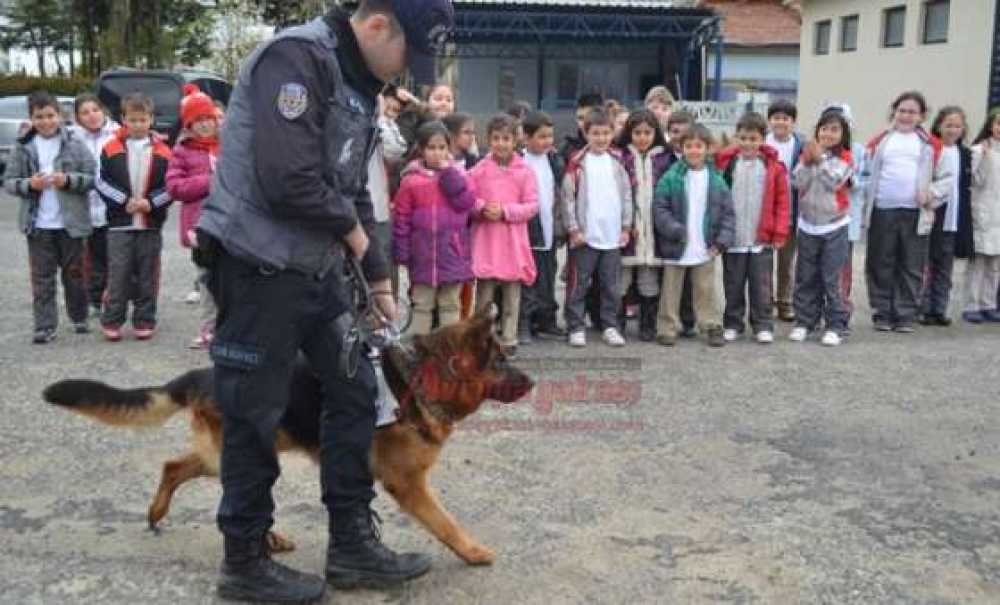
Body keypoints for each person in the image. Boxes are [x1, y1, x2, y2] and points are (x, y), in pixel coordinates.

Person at [195, 1, 454, 601]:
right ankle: (245, 559)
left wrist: (380, 277)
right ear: (378, 24)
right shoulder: (296, 59)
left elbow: (353, 185)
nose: (408, 72)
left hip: (317, 272)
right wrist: (359, 240)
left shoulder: (360, 84)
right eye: (409, 55)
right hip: (258, 266)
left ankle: (353, 546)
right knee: (256, 411)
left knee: (356, 393)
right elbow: (288, 178)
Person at [4, 90, 96, 344]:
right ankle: (45, 325)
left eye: (50, 115)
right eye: (39, 116)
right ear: (31, 118)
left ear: (60, 115)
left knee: (74, 274)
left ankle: (79, 317)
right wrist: (29, 184)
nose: (45, 121)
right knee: (42, 278)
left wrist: (68, 180)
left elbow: (91, 178)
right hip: (38, 226)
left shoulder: (75, 144)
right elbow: (9, 182)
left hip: (71, 225)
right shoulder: (23, 147)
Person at [864, 91, 952, 333]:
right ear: (894, 112)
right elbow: (864, 172)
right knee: (880, 262)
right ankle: (882, 312)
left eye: (912, 112)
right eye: (902, 110)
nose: (906, 115)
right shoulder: (880, 141)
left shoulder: (931, 145)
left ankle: (904, 314)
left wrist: (931, 193)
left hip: (915, 212)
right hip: (883, 209)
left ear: (922, 116)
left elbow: (947, 179)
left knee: (911, 264)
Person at [95, 92, 173, 342]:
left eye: (143, 119)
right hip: (119, 225)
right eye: (133, 119)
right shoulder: (110, 148)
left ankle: (144, 320)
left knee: (148, 275)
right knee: (118, 275)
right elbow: (101, 182)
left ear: (151, 119)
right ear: (123, 119)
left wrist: (150, 203)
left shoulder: (164, 151)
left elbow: (171, 186)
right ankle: (112, 320)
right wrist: (123, 201)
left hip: (150, 225)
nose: (138, 124)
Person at [652, 124, 733, 348]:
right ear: (682, 148)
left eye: (699, 146)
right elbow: (660, 208)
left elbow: (728, 213)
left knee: (706, 289)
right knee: (670, 290)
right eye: (689, 146)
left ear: (708, 148)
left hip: (705, 245)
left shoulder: (716, 180)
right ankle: (667, 327)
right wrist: (674, 229)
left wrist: (721, 242)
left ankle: (711, 325)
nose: (694, 150)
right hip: (676, 244)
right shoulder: (671, 177)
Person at [392, 121, 475, 335]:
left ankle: (449, 351)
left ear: (449, 149)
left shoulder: (458, 175)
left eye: (442, 148)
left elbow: (466, 203)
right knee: (421, 304)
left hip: (452, 253)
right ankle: (418, 350)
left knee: (450, 303)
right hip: (423, 255)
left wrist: (448, 175)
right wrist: (402, 251)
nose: (437, 153)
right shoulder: (411, 180)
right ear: (421, 150)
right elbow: (402, 218)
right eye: (431, 148)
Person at [715, 112, 790, 344]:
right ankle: (733, 323)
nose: (748, 143)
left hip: (761, 239)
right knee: (733, 284)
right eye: (743, 138)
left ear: (762, 139)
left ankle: (762, 324)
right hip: (734, 238)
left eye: (753, 139)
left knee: (761, 286)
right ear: (737, 138)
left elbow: (782, 202)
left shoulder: (773, 167)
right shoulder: (727, 165)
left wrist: (779, 232)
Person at [468, 114, 539, 357]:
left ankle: (509, 337)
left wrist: (506, 211)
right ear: (488, 140)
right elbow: (467, 198)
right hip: (487, 241)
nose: (501, 143)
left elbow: (532, 205)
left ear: (515, 141)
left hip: (513, 243)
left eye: (506, 138)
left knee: (512, 296)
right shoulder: (479, 170)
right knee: (484, 296)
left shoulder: (525, 172)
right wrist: (481, 207)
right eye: (496, 138)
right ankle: (480, 337)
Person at [562, 109, 633, 348]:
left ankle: (610, 325)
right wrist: (574, 229)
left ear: (613, 133)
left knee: (611, 286)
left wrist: (626, 227)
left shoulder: (618, 161)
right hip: (585, 237)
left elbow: (626, 196)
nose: (601, 138)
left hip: (612, 237)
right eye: (595, 133)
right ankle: (575, 326)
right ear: (586, 133)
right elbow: (568, 199)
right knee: (578, 284)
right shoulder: (577, 163)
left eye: (606, 133)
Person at [789, 111, 854, 346]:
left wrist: (820, 161)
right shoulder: (807, 154)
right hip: (808, 225)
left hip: (834, 226)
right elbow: (797, 182)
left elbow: (833, 182)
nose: (828, 134)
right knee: (805, 276)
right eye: (824, 129)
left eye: (834, 129)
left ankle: (836, 324)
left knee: (832, 277)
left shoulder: (846, 157)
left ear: (843, 134)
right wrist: (807, 162)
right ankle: (805, 321)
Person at [166, 85, 221, 349]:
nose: (203, 125)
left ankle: (232, 328)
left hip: (231, 226)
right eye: (196, 121)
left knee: (232, 280)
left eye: (207, 118)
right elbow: (175, 187)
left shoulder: (229, 145)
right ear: (188, 125)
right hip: (200, 229)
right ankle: (209, 329)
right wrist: (208, 181)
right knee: (207, 281)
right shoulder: (182, 151)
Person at [616, 109, 672, 341]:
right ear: (629, 133)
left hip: (653, 229)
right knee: (621, 279)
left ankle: (648, 324)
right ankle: (615, 322)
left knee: (649, 280)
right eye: (637, 132)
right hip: (627, 229)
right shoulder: (620, 157)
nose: (642, 137)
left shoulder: (665, 159)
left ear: (655, 133)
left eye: (647, 133)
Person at [519, 110, 567, 344]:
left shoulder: (554, 160)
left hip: (550, 230)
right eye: (541, 136)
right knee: (528, 282)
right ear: (526, 138)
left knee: (549, 278)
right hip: (528, 232)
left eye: (550, 136)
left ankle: (547, 321)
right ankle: (525, 323)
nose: (547, 141)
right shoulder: (519, 161)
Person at [922, 106, 972, 325]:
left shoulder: (966, 154)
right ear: (939, 126)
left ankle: (939, 309)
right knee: (926, 263)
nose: (953, 129)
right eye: (949, 125)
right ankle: (923, 307)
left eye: (957, 126)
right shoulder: (933, 148)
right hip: (934, 212)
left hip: (954, 217)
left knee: (945, 266)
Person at [766, 99, 804, 322]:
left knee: (786, 262)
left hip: (790, 211)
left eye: (786, 118)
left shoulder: (800, 145)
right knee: (763, 262)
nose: (781, 122)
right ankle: (765, 302)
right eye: (776, 118)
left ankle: (785, 302)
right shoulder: (761, 143)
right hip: (764, 213)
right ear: (769, 121)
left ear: (793, 122)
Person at [963, 108, 1000, 322]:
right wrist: (985, 159)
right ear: (990, 125)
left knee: (995, 266)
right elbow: (976, 181)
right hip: (983, 212)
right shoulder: (979, 150)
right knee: (978, 264)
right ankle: (972, 305)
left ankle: (989, 304)